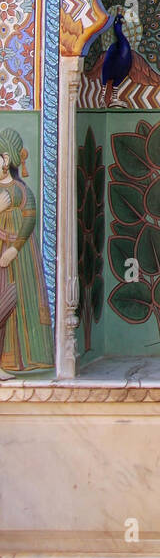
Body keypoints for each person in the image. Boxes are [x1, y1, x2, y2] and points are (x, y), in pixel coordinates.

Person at [0, 129, 54, 376]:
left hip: (18, 257)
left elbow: (29, 220)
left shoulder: (20, 190)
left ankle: (20, 360)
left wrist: (14, 248)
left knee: (17, 304)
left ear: (7, 159)